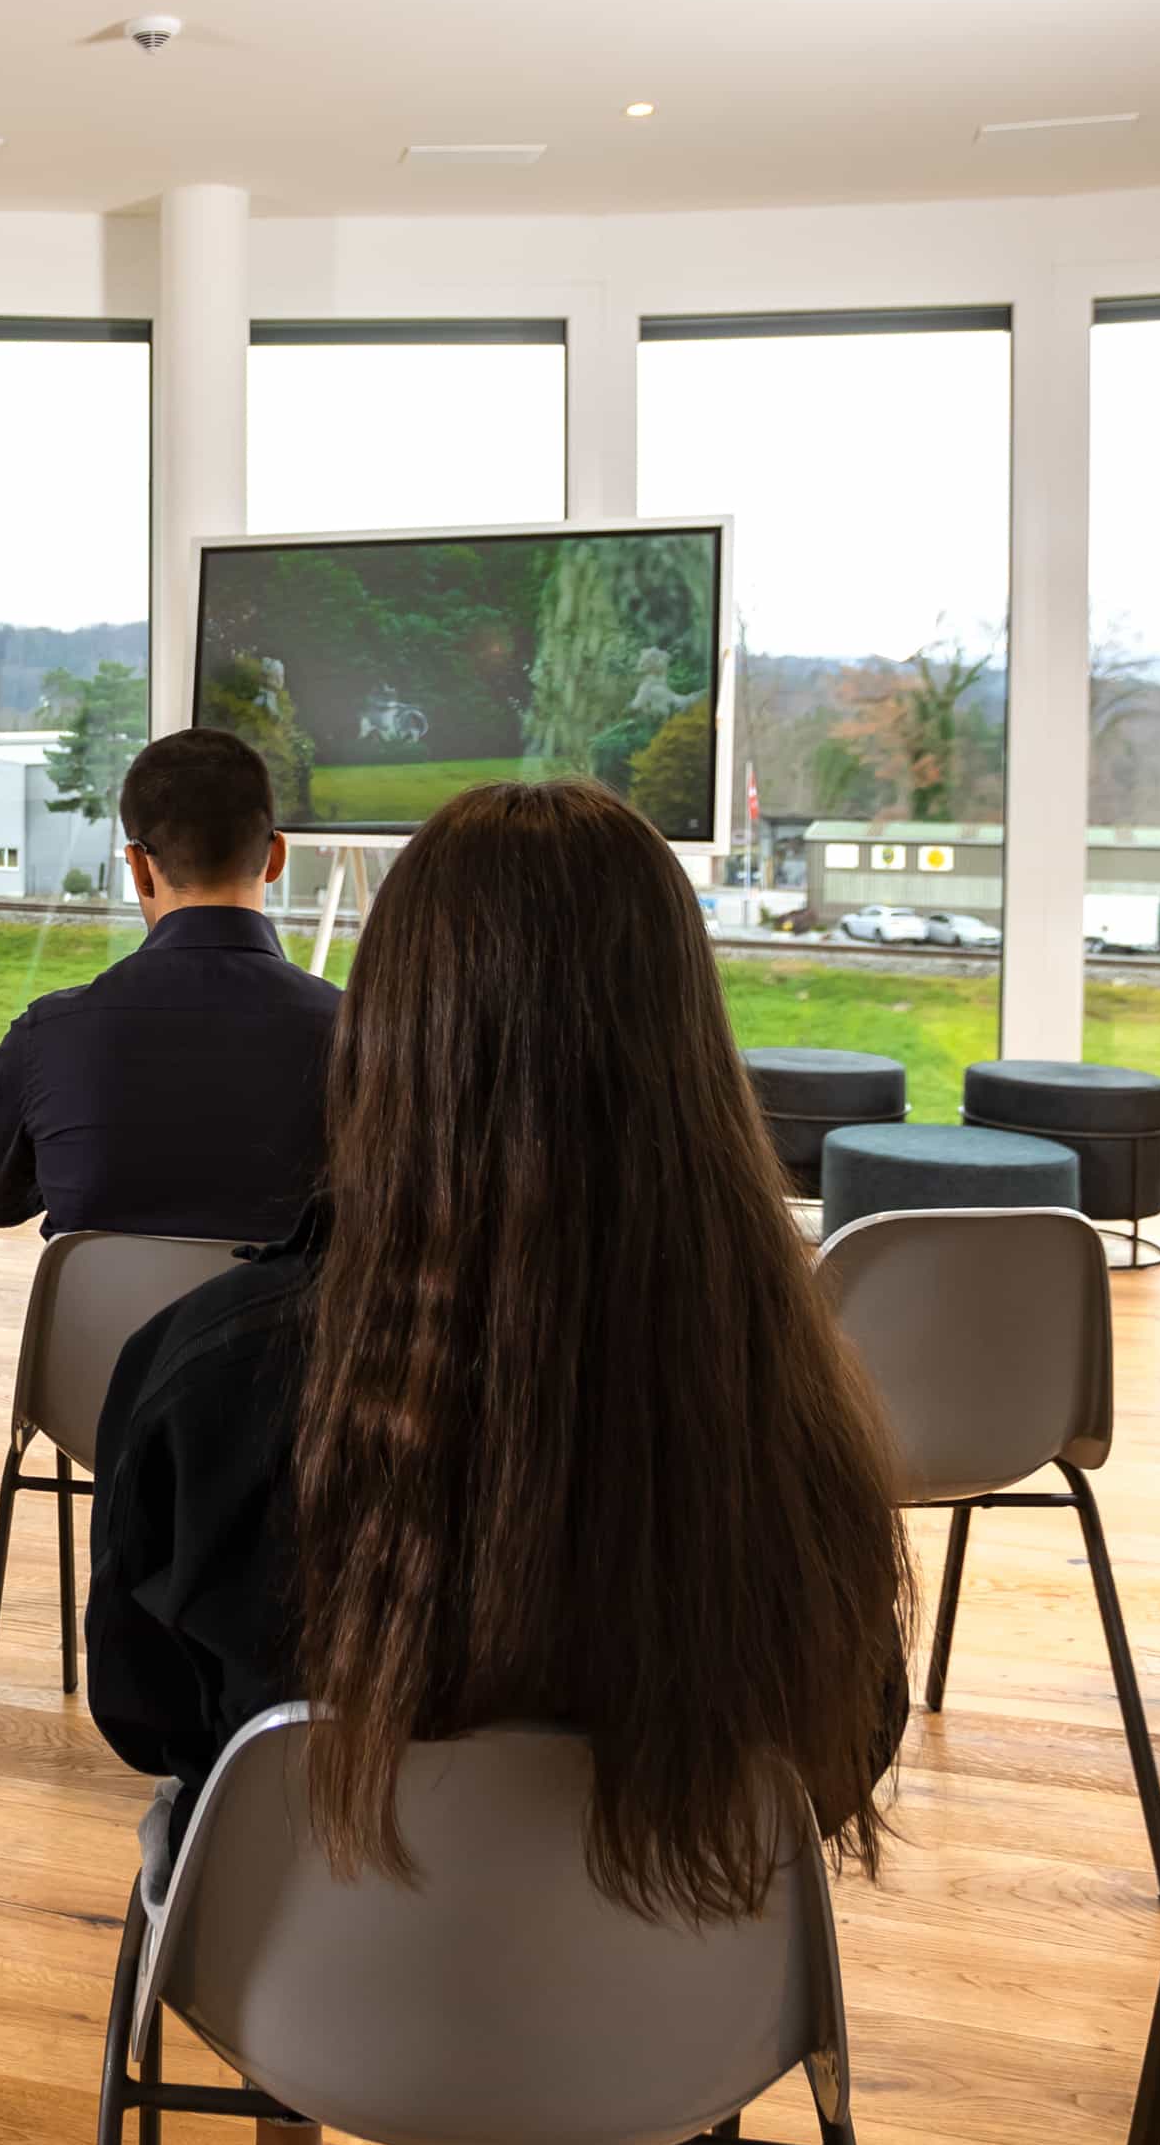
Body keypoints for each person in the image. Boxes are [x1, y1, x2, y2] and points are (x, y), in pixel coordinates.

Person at [88, 778, 907, 1949]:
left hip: (311, 1986)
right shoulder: (787, 1382)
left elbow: (149, 1718)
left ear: (385, 1028)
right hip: (677, 1992)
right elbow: (847, 1744)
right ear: (688, 1044)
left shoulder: (208, 1370)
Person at [0, 727, 338, 1243]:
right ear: (275, 857)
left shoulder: (46, 1034)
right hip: (294, 1325)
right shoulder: (357, 1032)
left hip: (100, 1325)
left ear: (138, 867)